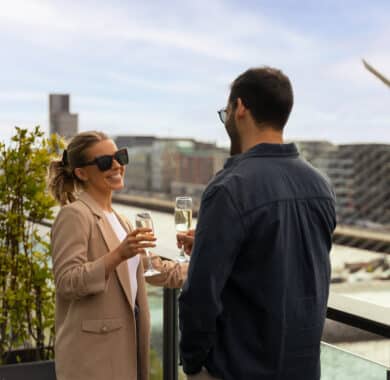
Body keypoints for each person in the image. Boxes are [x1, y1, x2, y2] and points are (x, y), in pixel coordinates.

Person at [178, 67, 337, 380]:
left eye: (226, 110)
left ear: (240, 108)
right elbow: (287, 262)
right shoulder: (321, 185)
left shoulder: (230, 187)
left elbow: (199, 296)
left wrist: (194, 366)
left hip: (237, 370)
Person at [49, 131, 185, 380]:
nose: (116, 165)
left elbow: (149, 267)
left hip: (125, 352)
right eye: (104, 162)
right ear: (81, 173)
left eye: (119, 156)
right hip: (92, 359)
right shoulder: (74, 215)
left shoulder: (120, 220)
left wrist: (203, 259)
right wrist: (119, 254)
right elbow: (67, 282)